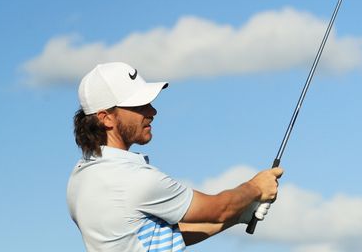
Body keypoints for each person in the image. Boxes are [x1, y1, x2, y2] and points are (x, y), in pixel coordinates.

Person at [66, 62, 283, 251]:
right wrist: (256, 187)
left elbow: (172, 233)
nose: (152, 111)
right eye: (139, 106)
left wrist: (240, 215)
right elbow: (218, 209)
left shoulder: (80, 179)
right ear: (106, 118)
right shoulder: (134, 179)